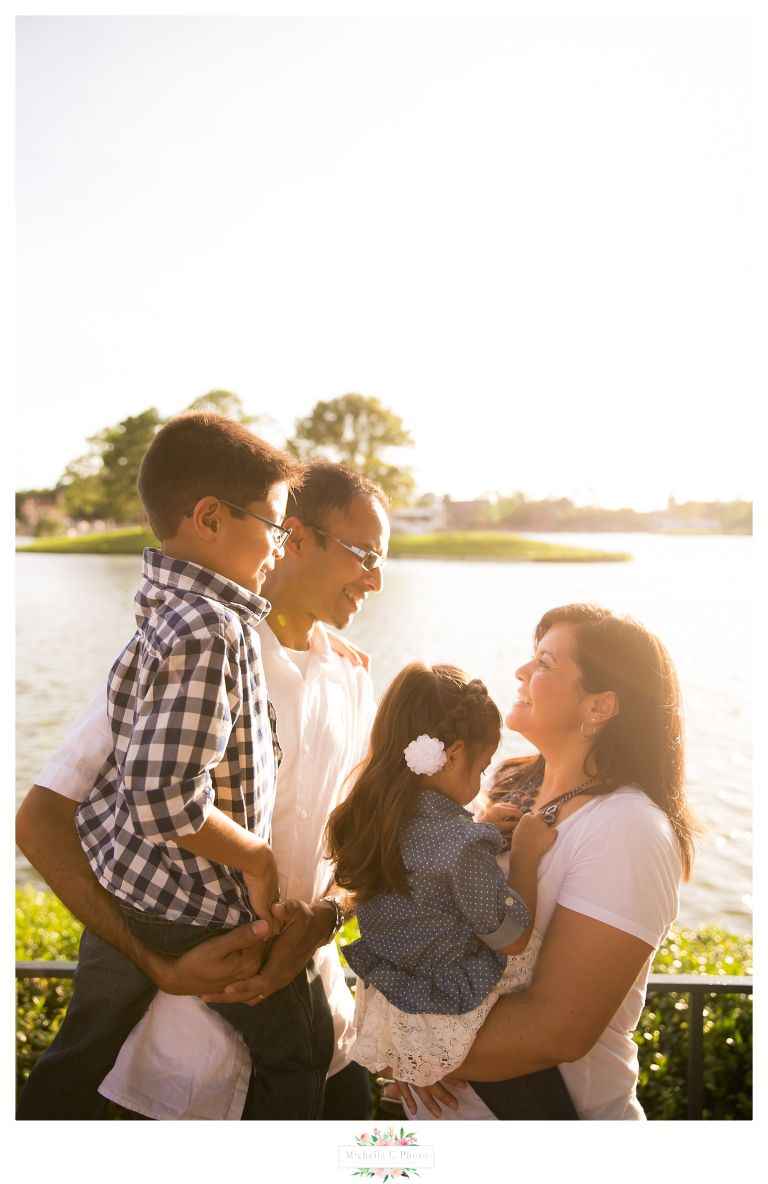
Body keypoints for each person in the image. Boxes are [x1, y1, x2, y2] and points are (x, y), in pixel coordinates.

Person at [16, 457, 390, 1121]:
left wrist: (328, 914)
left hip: (321, 1040)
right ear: (295, 537)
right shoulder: (194, 650)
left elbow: (364, 843)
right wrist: (153, 961)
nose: (376, 579)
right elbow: (40, 820)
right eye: (364, 554)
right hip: (168, 1065)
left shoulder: (354, 679)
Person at [391, 604, 698, 1122]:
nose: (521, 672)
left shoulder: (626, 828)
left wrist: (407, 1047)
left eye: (545, 663)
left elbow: (557, 1028)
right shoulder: (508, 789)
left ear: (600, 705)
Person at [324, 662, 576, 1118]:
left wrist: (478, 829)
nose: (480, 783)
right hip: (451, 1005)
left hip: (395, 997)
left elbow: (425, 878)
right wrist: (524, 852)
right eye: (480, 769)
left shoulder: (371, 819)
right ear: (454, 754)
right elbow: (512, 937)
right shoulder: (461, 845)